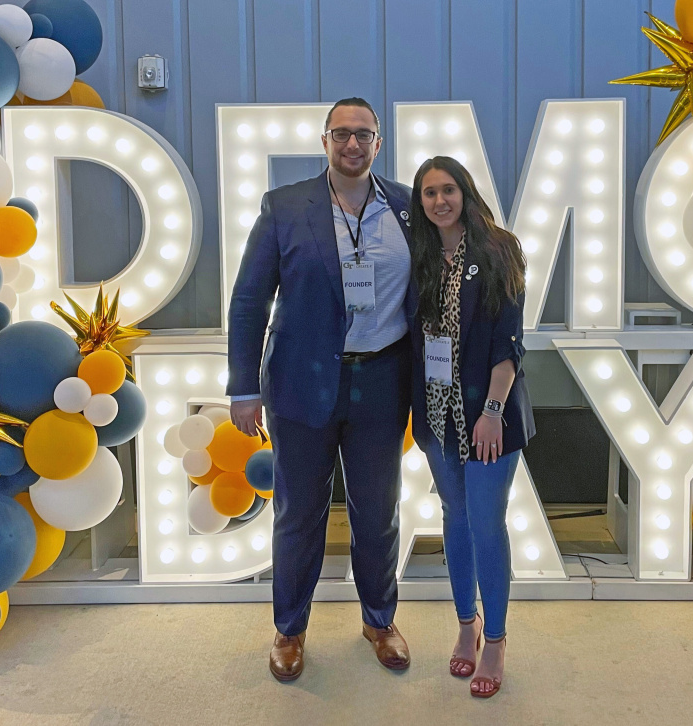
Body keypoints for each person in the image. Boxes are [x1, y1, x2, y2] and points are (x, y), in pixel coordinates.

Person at [227, 98, 414, 682]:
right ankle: (289, 629)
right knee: (298, 514)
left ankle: (380, 620)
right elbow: (250, 300)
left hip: (383, 380)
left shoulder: (410, 207)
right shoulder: (284, 207)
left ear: (378, 143)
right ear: (325, 140)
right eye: (342, 134)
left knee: (378, 512)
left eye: (364, 134)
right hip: (299, 384)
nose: (352, 144)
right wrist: (242, 387)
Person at [408, 156, 535, 698]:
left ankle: (498, 640)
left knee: (486, 524)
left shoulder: (499, 249)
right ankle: (467, 628)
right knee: (454, 520)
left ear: (465, 192)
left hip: (490, 416)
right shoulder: (417, 256)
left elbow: (510, 343)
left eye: (448, 190)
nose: (440, 201)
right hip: (435, 415)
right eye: (429, 193)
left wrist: (492, 412)